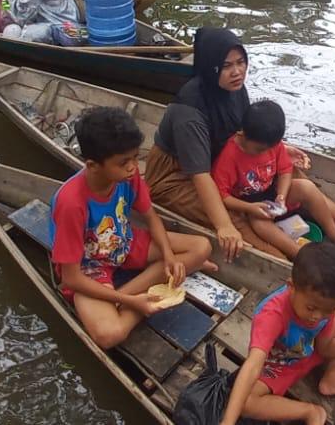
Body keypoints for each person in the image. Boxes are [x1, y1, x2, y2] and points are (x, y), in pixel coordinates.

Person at [145, 27, 335, 260]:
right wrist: (223, 225)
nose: (237, 72)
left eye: (241, 62)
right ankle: (286, 259)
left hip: (218, 157)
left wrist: (275, 147)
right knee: (235, 216)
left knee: (285, 168)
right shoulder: (188, 113)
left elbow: (247, 130)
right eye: (226, 66)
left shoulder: (233, 87)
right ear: (210, 67)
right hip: (176, 177)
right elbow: (200, 176)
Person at [50, 106, 214, 349]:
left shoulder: (128, 175)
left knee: (202, 247)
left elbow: (151, 216)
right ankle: (131, 302)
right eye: (124, 162)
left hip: (121, 242)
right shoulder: (72, 204)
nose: (133, 167)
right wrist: (132, 302)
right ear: (93, 165)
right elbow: (71, 278)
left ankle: (123, 297)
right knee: (109, 335)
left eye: (135, 158)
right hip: (89, 266)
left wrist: (169, 257)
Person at [219, 243, 335, 425]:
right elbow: (253, 365)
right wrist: (228, 422)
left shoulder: (322, 309)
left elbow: (324, 347)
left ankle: (333, 376)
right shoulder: (272, 314)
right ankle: (310, 412)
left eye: (328, 310)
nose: (317, 317)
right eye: (311, 308)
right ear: (291, 286)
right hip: (280, 364)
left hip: (310, 348)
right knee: (246, 403)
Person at [213, 100, 335, 258]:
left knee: (306, 187)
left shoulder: (273, 144)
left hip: (272, 194)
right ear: (242, 134)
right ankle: (300, 252)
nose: (263, 153)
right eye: (259, 149)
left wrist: (281, 196)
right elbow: (222, 196)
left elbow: (285, 170)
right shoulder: (229, 157)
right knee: (259, 224)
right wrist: (249, 208)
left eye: (268, 149)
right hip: (250, 206)